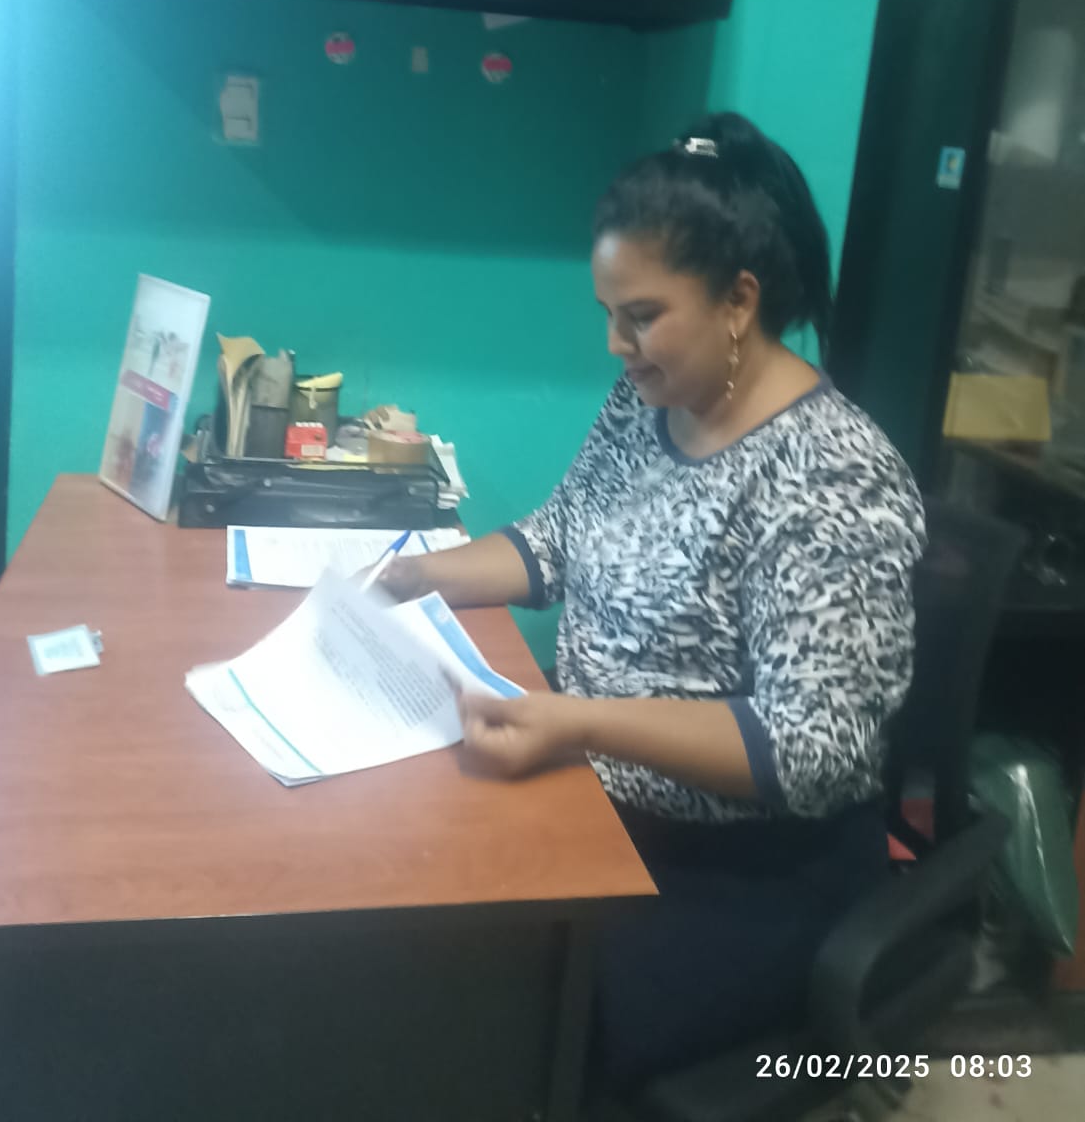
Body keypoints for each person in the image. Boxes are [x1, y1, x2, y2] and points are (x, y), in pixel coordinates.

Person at [382, 112, 925, 1093]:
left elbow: (812, 750)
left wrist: (580, 722)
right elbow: (560, 535)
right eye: (607, 312)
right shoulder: (651, 401)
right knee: (410, 914)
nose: (614, 345)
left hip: (742, 874)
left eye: (639, 315)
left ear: (737, 301)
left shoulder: (833, 475)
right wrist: (418, 575)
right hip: (596, 802)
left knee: (504, 1010)